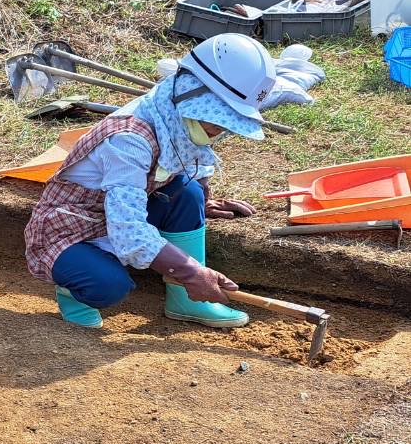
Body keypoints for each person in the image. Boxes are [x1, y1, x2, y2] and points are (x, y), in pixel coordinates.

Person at [24, 34, 274, 328]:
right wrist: (192, 272)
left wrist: (203, 199)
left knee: (188, 193)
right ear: (191, 97)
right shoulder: (129, 140)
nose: (219, 132)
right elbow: (128, 230)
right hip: (71, 226)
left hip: (115, 211)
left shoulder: (173, 114)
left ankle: (186, 302)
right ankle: (73, 291)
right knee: (108, 285)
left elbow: (192, 155)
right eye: (217, 123)